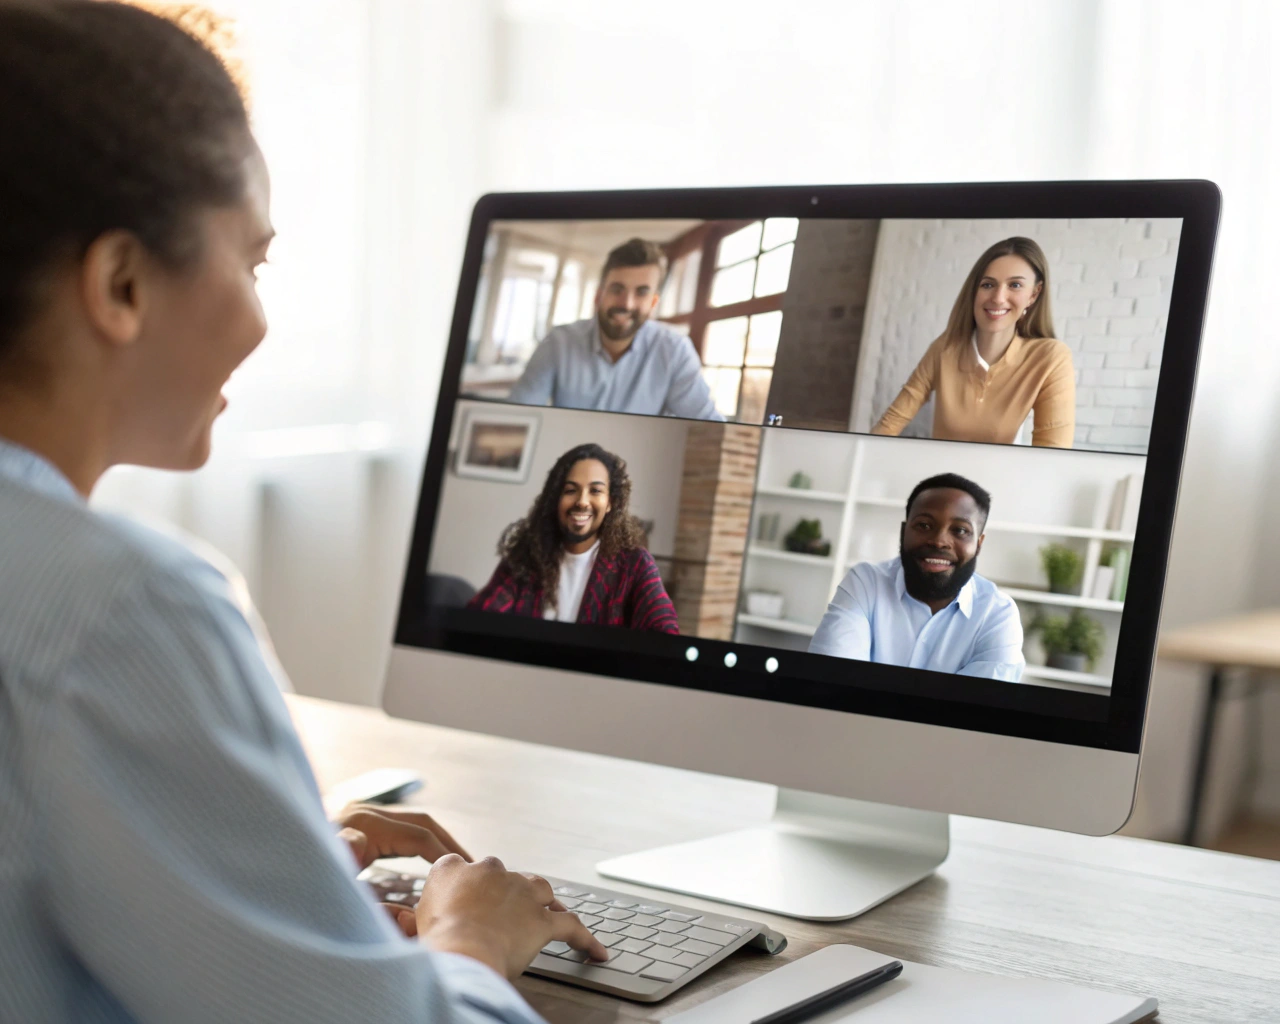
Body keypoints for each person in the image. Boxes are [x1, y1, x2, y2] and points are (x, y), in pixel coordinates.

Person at [0, 4, 606, 1023]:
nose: (260, 314)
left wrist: (253, 855)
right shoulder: (121, 610)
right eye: (253, 260)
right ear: (120, 281)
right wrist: (472, 939)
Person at [808, 474, 1024, 680]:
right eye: (924, 525)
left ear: (978, 544)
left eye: (960, 530)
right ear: (904, 532)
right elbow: (830, 680)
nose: (939, 541)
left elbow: (977, 710)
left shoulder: (997, 614)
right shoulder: (866, 583)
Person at [871, 237, 1075, 447]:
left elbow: (1052, 454)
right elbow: (890, 424)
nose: (998, 297)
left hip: (1000, 477)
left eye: (1014, 285)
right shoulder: (944, 349)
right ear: (974, 291)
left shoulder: (1050, 357)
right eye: (988, 284)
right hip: (943, 476)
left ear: (1034, 294)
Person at [506, 238, 725, 421]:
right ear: (599, 295)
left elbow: (708, 426)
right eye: (617, 289)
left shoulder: (675, 351)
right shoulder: (559, 342)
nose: (627, 304)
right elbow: (517, 416)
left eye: (641, 292)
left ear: (653, 302)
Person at [468, 443, 679, 632]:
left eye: (595, 491)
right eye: (570, 490)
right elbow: (481, 618)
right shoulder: (526, 555)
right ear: (556, 499)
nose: (582, 501)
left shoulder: (634, 565)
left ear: (610, 503)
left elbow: (664, 631)